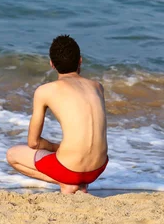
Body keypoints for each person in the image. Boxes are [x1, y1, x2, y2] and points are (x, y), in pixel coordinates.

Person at [6, 35, 109, 194]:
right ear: (80, 60)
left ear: (52, 64)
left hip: (69, 170)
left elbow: (33, 143)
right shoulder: (97, 87)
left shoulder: (45, 91)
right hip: (97, 168)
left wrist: (55, 147)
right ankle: (79, 184)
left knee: (12, 155)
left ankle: (66, 183)